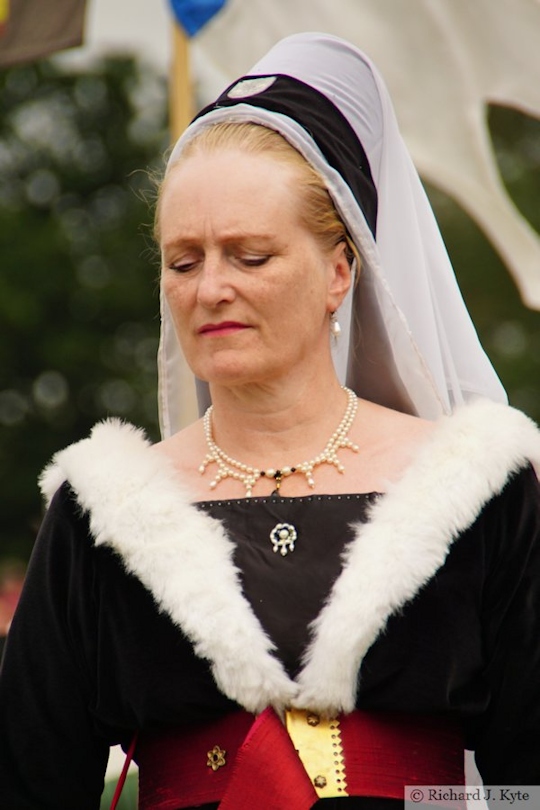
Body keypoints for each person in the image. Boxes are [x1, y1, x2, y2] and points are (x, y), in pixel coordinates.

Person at [1, 31, 540, 810]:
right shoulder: (102, 511)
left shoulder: (477, 489)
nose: (210, 288)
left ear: (338, 272)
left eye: (250, 257)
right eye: (184, 261)